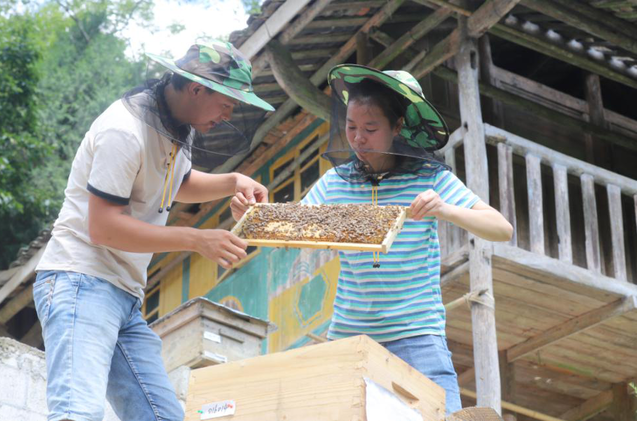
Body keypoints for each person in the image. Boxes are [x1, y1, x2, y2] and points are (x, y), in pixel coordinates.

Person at [231, 64, 513, 414]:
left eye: (370, 128)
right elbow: (291, 227)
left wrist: (445, 210)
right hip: (351, 335)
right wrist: (250, 215)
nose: (358, 138)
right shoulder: (336, 183)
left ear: (397, 127)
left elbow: (501, 228)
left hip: (417, 335)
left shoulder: (430, 179)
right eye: (350, 127)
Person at [33, 40, 274, 421]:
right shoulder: (123, 132)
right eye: (226, 103)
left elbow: (170, 183)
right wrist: (196, 239)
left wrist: (233, 181)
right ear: (196, 89)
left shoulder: (175, 124)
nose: (228, 114)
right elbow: (103, 227)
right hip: (80, 280)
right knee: (75, 414)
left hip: (124, 295)